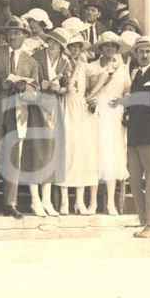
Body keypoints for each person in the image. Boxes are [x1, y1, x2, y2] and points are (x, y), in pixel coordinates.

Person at [0, 17, 41, 218]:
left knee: (13, 159)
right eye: (10, 32)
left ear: (25, 35)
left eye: (17, 32)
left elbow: (36, 91)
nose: (13, 35)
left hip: (17, 113)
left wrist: (24, 87)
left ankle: (10, 203)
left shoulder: (31, 61)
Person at [23, 26, 72, 216]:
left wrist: (58, 87)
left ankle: (47, 199)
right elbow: (29, 81)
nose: (52, 45)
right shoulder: (36, 57)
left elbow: (66, 89)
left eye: (56, 43)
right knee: (35, 150)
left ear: (61, 47)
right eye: (50, 41)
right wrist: (39, 84)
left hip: (54, 107)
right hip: (36, 107)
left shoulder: (65, 63)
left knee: (53, 152)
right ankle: (35, 199)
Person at [124, 36, 150, 238]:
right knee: (134, 179)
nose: (144, 54)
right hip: (134, 132)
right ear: (135, 53)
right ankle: (146, 221)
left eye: (148, 51)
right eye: (140, 51)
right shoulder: (134, 75)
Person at [55, 32, 99, 215]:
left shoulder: (84, 66)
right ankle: (64, 201)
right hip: (66, 107)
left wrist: (91, 94)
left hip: (80, 108)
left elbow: (104, 75)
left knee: (81, 152)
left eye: (77, 46)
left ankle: (79, 201)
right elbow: (62, 87)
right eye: (71, 46)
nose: (74, 50)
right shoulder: (62, 64)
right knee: (66, 150)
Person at [88, 32, 132, 215]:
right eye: (106, 46)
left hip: (114, 114)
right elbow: (87, 91)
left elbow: (128, 91)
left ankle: (111, 203)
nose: (109, 49)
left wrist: (122, 102)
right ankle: (92, 203)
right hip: (95, 113)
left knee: (112, 156)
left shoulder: (122, 68)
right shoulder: (91, 67)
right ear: (100, 48)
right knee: (95, 154)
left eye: (113, 46)